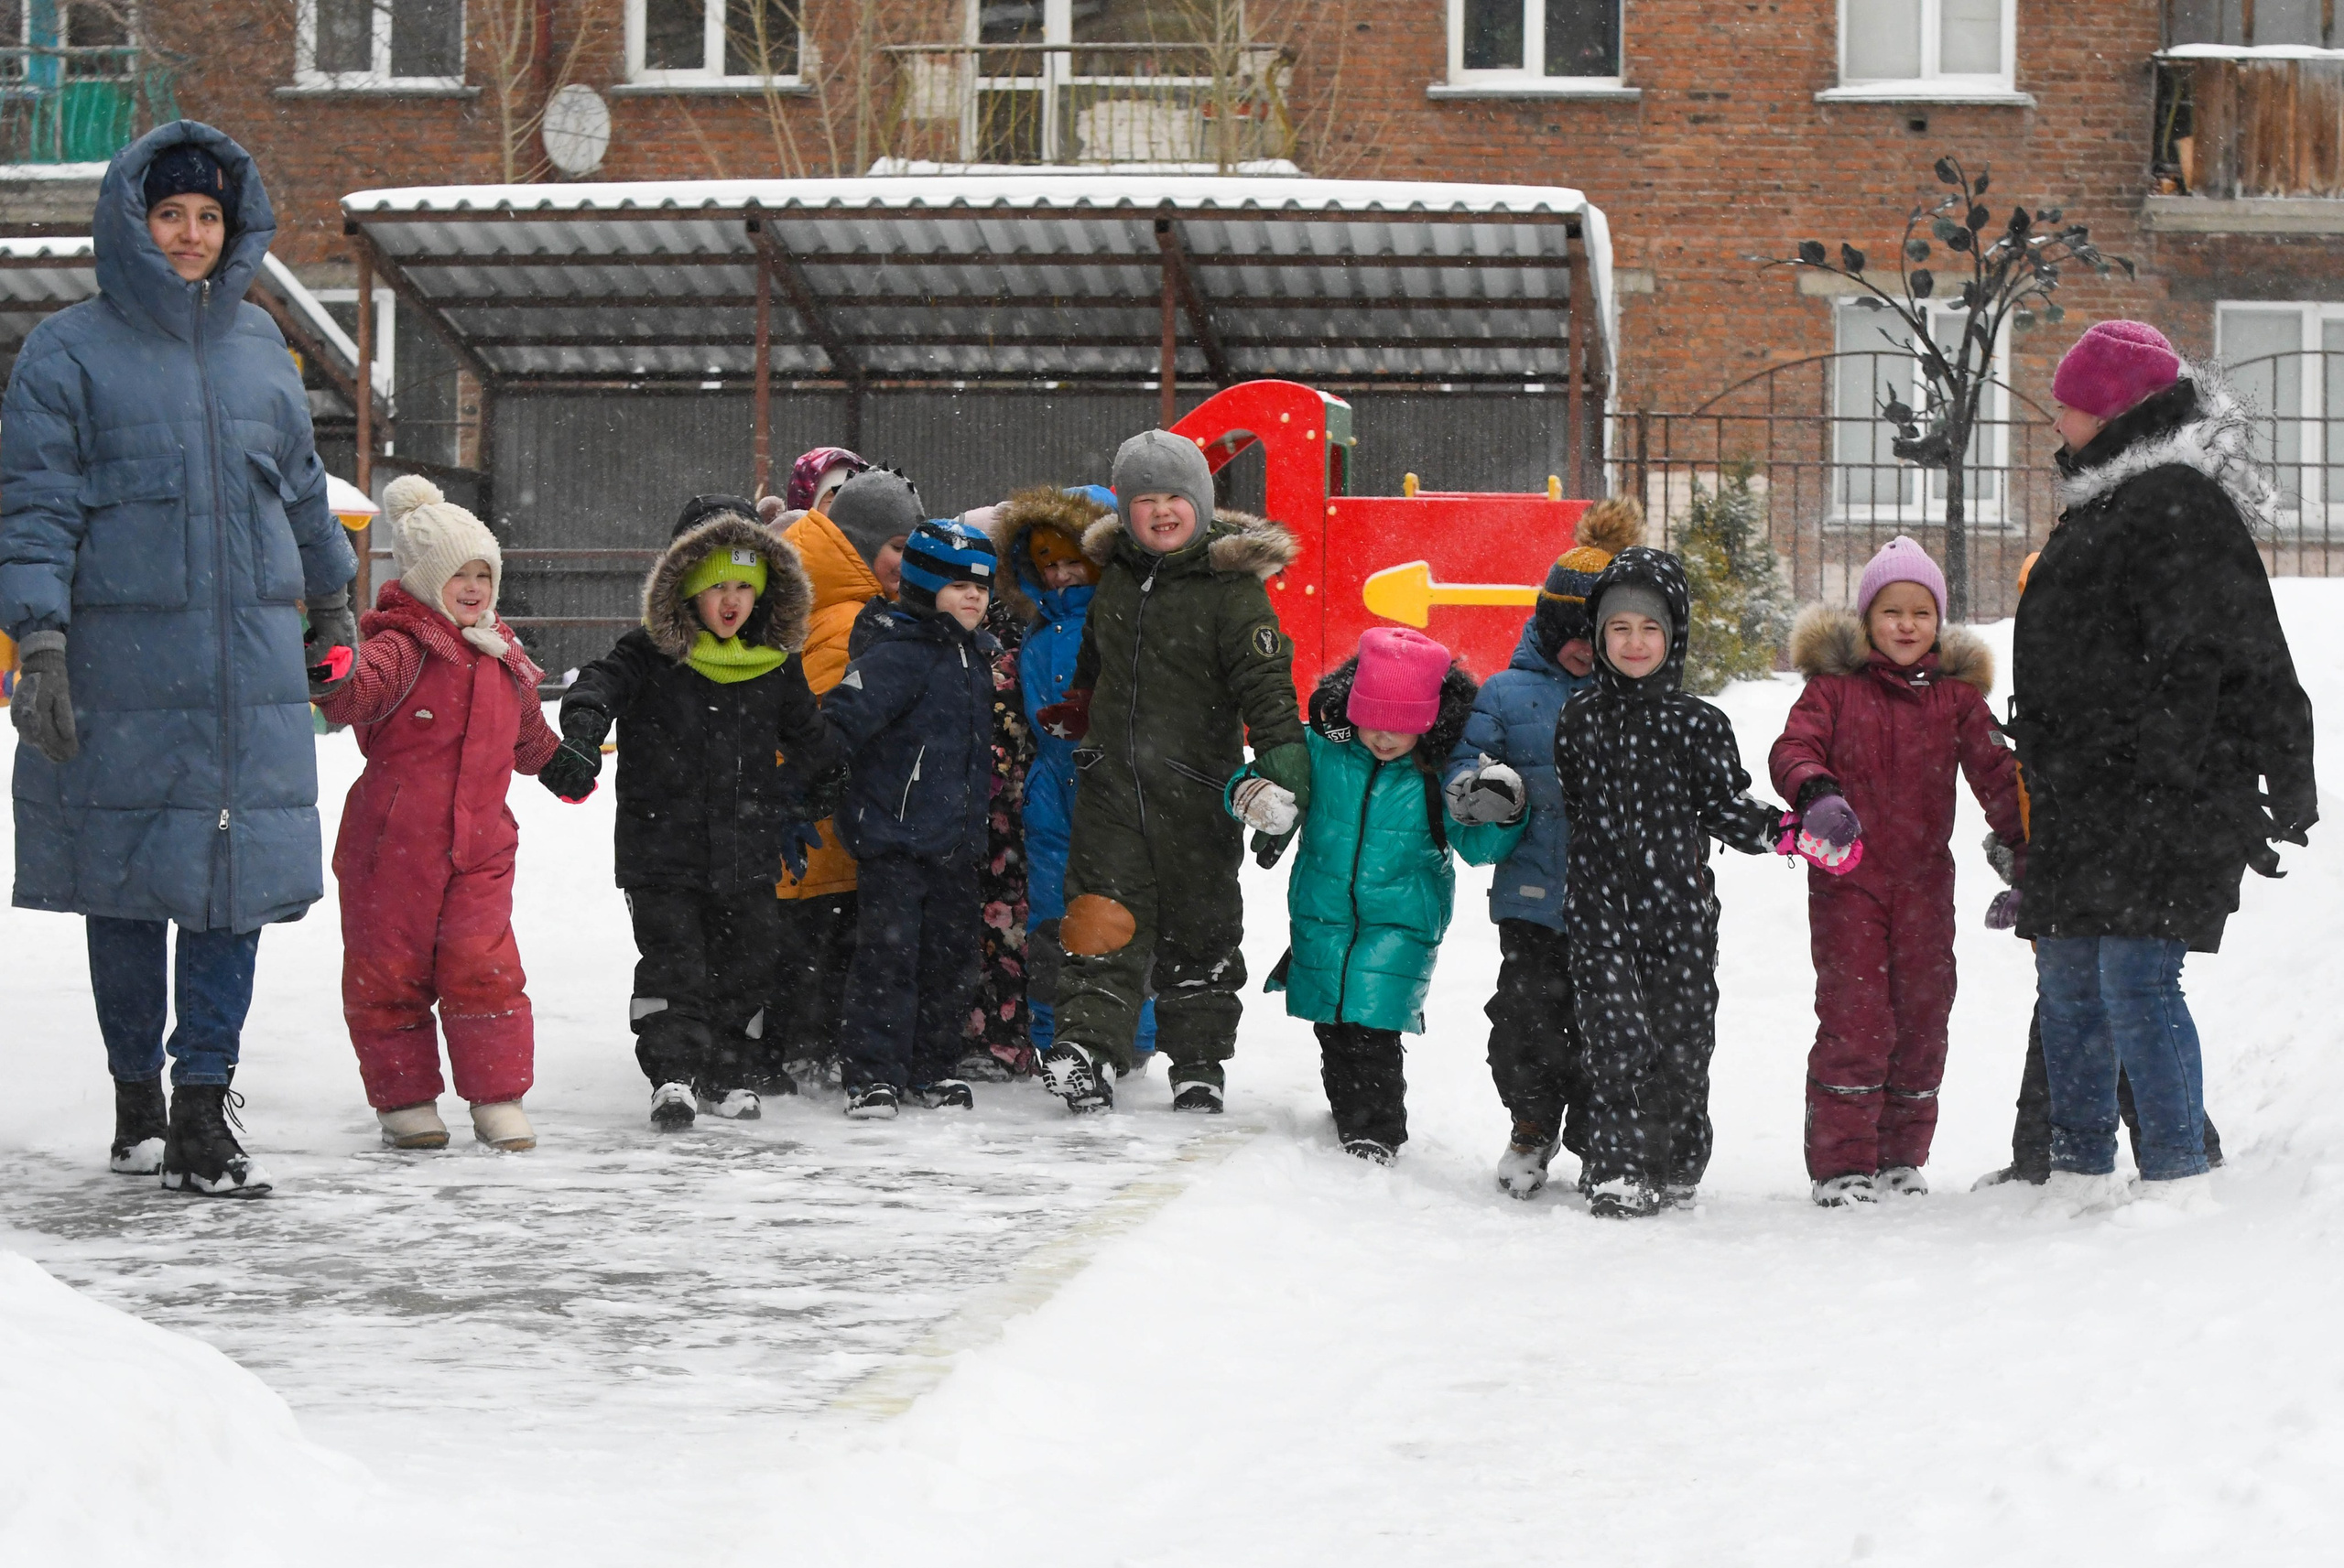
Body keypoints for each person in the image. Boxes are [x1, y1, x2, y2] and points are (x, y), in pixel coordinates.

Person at [1, 124, 356, 1196]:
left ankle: (205, 1105)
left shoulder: (259, 346)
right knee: (129, 884)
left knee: (232, 888)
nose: (191, 233)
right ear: (131, 222)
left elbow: (299, 486)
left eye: (207, 216)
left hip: (244, 668)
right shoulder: (67, 352)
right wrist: (43, 643)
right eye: (170, 214)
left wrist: (333, 605)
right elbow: (37, 510)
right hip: (123, 665)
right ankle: (136, 1105)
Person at [2009, 320, 2317, 1210]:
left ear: (2117, 413)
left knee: (2134, 981)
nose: (2058, 422)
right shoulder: (2096, 507)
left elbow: (2234, 647)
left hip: (2154, 793)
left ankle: (2177, 1175)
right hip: (2078, 794)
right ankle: (2077, 1170)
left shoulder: (2176, 503)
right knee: (2066, 978)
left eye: (2069, 407)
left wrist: (2269, 772)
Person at [539, 502, 842, 1130]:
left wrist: (814, 785)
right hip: (663, 850)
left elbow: (811, 738)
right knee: (673, 963)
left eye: (743, 587)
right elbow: (595, 685)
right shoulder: (650, 654)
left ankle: (728, 1071)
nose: (731, 602)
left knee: (747, 964)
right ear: (685, 591)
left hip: (747, 849)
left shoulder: (772, 664)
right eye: (716, 588)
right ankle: (674, 1072)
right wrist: (582, 735)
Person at [1032, 430, 1308, 1114]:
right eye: (1145, 500)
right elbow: (1098, 657)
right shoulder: (1119, 576)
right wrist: (1083, 708)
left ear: (1202, 502)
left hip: (1196, 790)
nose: (1161, 512)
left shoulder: (1231, 588)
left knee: (1201, 929)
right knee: (1100, 919)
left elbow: (1267, 687)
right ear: (1125, 511)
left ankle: (1199, 1061)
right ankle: (1090, 1051)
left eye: (1175, 498)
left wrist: (1283, 769)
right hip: (1114, 790)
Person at [1768, 537, 2024, 1206]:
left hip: (1924, 889)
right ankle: (1841, 1163)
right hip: (1847, 882)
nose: (1907, 625)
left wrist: (2031, 855)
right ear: (1867, 619)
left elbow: (2001, 778)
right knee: (1857, 1017)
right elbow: (1793, 747)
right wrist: (1816, 792)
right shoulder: (1834, 691)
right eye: (1891, 611)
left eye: (1920, 612)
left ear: (1938, 620)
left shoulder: (1956, 701)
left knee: (1923, 1015)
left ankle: (1900, 1156)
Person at [317, 478, 557, 1152]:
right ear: (426, 581)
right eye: (459, 574)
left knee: (485, 967)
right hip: (392, 843)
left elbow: (530, 737)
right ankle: (406, 1101)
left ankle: (498, 1097)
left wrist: (564, 763)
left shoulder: (503, 653)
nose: (475, 587)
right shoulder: (400, 646)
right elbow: (353, 696)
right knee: (388, 970)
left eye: (485, 573)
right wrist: (329, 665)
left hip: (481, 846)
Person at [1555, 547, 1786, 1217]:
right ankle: (1619, 1167)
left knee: (1683, 1042)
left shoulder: (1699, 723)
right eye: (1619, 627)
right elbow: (1575, 800)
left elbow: (1723, 806)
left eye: (1650, 628)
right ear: (1599, 636)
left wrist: (1785, 831)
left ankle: (1676, 1155)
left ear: (1674, 634)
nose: (1634, 641)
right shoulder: (1580, 717)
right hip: (1600, 909)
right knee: (1617, 1040)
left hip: (1680, 914)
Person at [1446, 496, 1641, 1198]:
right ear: (1549, 622)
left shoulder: (1637, 702)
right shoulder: (1506, 692)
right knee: (1526, 1024)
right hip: (1532, 898)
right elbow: (1468, 766)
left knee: (1605, 1032)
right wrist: (1482, 792)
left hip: (1615, 906)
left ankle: (1598, 1142)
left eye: (1604, 630)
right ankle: (1531, 1123)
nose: (1588, 647)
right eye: (1574, 631)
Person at [1270, 627, 1522, 1162]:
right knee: (1333, 1021)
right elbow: (1267, 776)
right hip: (1324, 910)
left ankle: (1376, 1128)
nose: (1384, 737)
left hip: (1402, 919)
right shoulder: (1323, 749)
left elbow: (1476, 846)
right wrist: (1248, 791)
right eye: (1373, 721)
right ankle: (1348, 1108)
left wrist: (1502, 813)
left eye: (1401, 726)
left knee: (1374, 1023)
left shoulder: (1438, 772)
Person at [819, 519, 1001, 1118]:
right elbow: (842, 718)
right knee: (886, 960)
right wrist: (810, 787)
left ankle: (931, 1066)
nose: (973, 596)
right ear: (924, 585)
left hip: (954, 842)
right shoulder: (898, 651)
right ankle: (873, 1073)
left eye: (982, 585)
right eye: (957, 585)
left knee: (949, 961)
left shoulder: (974, 655)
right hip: (895, 839)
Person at [760, 464, 922, 1088]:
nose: (905, 564)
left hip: (811, 815)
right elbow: (828, 724)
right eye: (897, 549)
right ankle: (803, 1044)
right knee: (816, 941)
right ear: (857, 542)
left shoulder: (829, 595)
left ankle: (795, 1039)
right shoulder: (849, 616)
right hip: (822, 819)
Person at [1002, 485, 1157, 1065]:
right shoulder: (1040, 628)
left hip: (1111, 790)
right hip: (1052, 793)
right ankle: (1052, 1034)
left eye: (1074, 561)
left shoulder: (1114, 621)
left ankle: (1130, 1034)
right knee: (1051, 921)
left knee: (1113, 917)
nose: (1062, 576)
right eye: (1049, 565)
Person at [956, 503, 1040, 1080]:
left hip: (1013, 801)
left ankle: (1007, 1036)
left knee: (1009, 922)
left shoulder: (1021, 631)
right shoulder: (974, 633)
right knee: (988, 922)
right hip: (981, 800)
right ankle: (989, 1034)